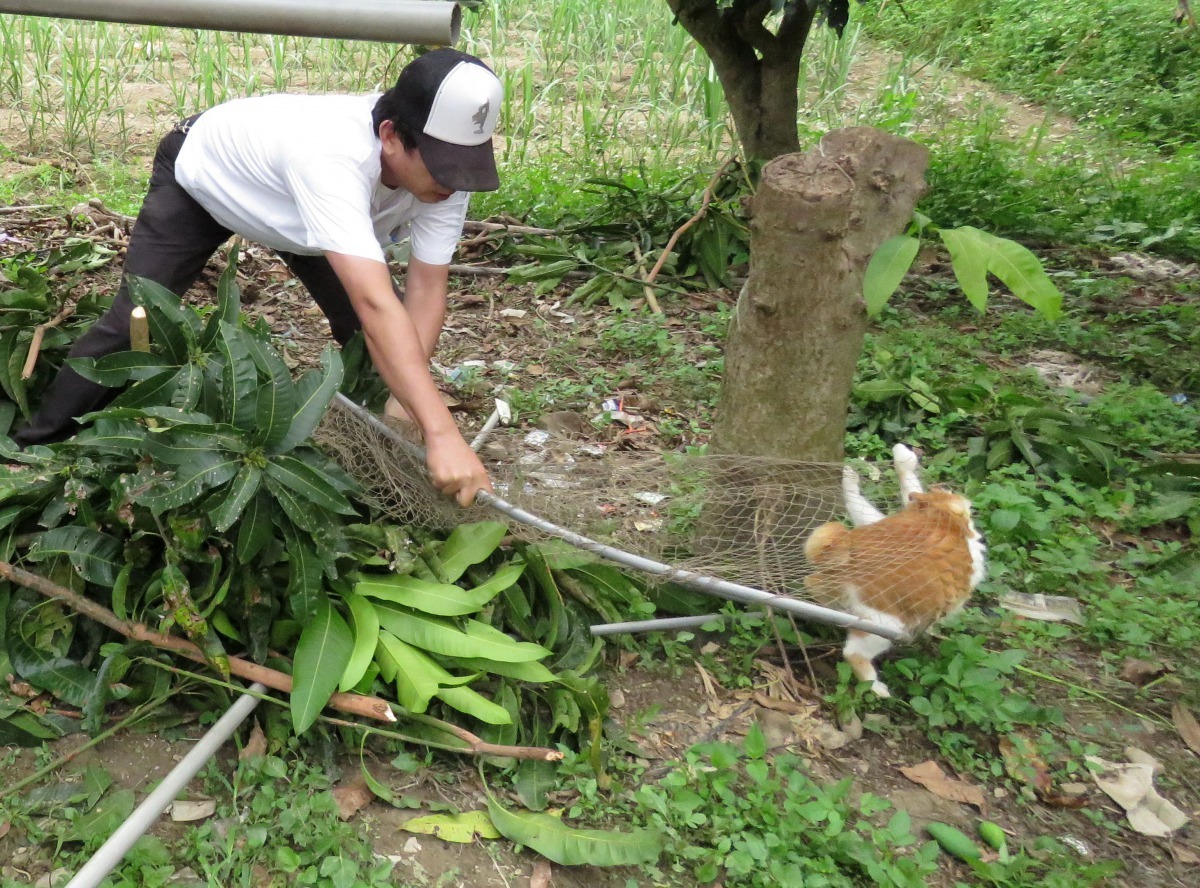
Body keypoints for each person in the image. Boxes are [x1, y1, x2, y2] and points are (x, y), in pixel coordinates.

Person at [13, 48, 499, 507]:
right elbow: (377, 305)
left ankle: (375, 460)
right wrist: (443, 433)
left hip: (306, 223)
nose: (454, 184)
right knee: (133, 322)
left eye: (466, 169)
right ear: (391, 136)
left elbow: (426, 288)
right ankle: (33, 450)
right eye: (442, 170)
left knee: (379, 345)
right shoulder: (332, 156)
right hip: (208, 181)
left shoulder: (447, 175)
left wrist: (407, 407)